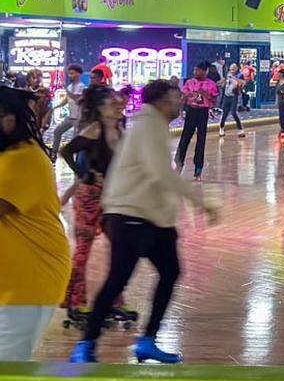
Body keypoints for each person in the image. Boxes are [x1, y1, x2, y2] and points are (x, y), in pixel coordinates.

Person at [69, 80, 219, 364]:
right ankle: (86, 345)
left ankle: (147, 341)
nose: (181, 101)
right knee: (118, 278)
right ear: (162, 102)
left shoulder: (149, 125)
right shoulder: (149, 125)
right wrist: (202, 202)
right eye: (176, 97)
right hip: (131, 216)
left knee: (170, 271)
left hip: (148, 217)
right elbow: (160, 173)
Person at [0, 87, 70, 362]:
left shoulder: (22, 158)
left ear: (15, 118)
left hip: (30, 281)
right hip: (13, 280)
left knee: (6, 374)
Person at [59, 84, 131, 324]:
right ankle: (74, 302)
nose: (118, 106)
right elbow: (67, 151)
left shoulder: (119, 130)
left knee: (120, 247)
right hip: (90, 196)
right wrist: (85, 175)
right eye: (112, 103)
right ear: (101, 109)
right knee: (84, 249)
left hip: (111, 196)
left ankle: (113, 300)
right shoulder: (94, 129)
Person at [175, 62, 218, 179]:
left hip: (202, 113)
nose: (195, 72)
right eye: (194, 70)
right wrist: (181, 111)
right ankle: (179, 163)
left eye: (197, 70)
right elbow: (183, 97)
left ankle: (198, 168)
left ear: (205, 71)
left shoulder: (211, 84)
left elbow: (214, 101)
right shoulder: (189, 82)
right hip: (191, 111)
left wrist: (207, 95)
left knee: (201, 140)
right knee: (184, 138)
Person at [50, 63, 86, 159]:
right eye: (69, 73)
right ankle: (53, 154)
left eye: (72, 73)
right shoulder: (70, 87)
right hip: (71, 117)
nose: (70, 76)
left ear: (78, 74)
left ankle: (78, 161)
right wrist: (55, 107)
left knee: (75, 141)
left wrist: (67, 90)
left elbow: (76, 98)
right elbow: (66, 100)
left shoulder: (81, 86)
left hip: (79, 119)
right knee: (57, 131)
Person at [218, 63, 246, 138]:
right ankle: (221, 128)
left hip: (234, 96)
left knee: (234, 112)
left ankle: (240, 129)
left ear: (237, 69)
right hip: (227, 96)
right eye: (231, 69)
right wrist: (220, 83)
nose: (231, 70)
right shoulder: (227, 74)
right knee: (224, 113)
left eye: (233, 69)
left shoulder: (240, 75)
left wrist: (233, 78)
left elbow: (243, 83)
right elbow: (224, 81)